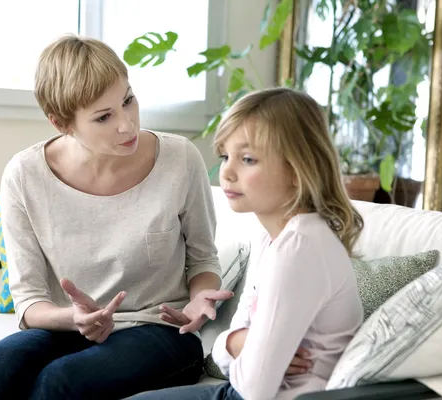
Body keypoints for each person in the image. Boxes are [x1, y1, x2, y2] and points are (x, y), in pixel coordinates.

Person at [0, 35, 234, 400]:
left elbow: (203, 257)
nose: (127, 124)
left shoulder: (180, 159)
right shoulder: (25, 175)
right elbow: (30, 302)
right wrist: (74, 319)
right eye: (104, 117)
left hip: (159, 330)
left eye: (128, 100)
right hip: (69, 328)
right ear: (62, 123)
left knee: (60, 382)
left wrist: (201, 298)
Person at [130, 87, 365, 400]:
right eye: (226, 156)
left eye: (248, 159)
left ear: (297, 171)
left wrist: (234, 344)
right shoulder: (274, 238)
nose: (226, 171)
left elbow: (254, 389)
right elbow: (229, 349)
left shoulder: (299, 249)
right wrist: (235, 343)